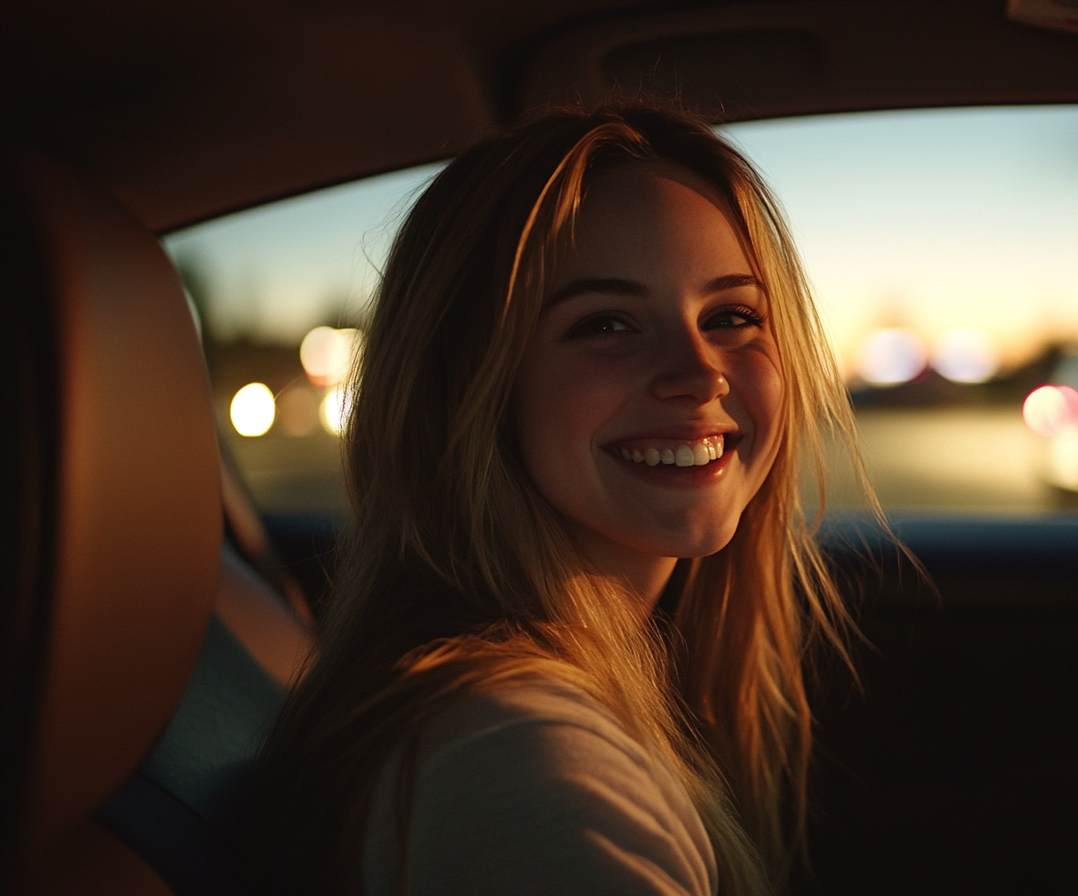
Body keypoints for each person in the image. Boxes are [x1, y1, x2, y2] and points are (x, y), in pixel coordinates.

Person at [258, 104, 882, 896]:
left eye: (731, 316)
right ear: (468, 388)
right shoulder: (521, 759)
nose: (700, 374)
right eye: (608, 324)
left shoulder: (548, 708)